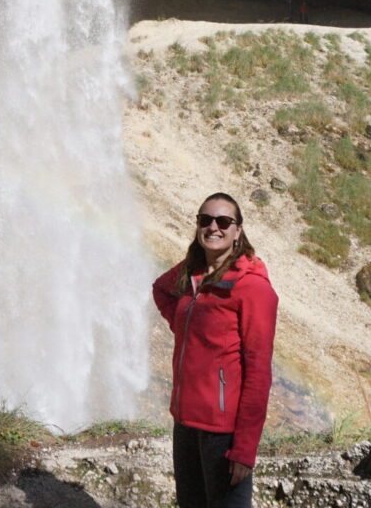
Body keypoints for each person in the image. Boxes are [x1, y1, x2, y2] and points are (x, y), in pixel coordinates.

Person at [152, 193, 278, 508]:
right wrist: (185, 327)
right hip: (185, 423)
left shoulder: (253, 289)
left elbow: (259, 374)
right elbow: (161, 288)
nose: (213, 227)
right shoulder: (194, 276)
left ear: (238, 231)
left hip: (223, 433)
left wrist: (244, 450)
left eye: (223, 221)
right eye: (205, 220)